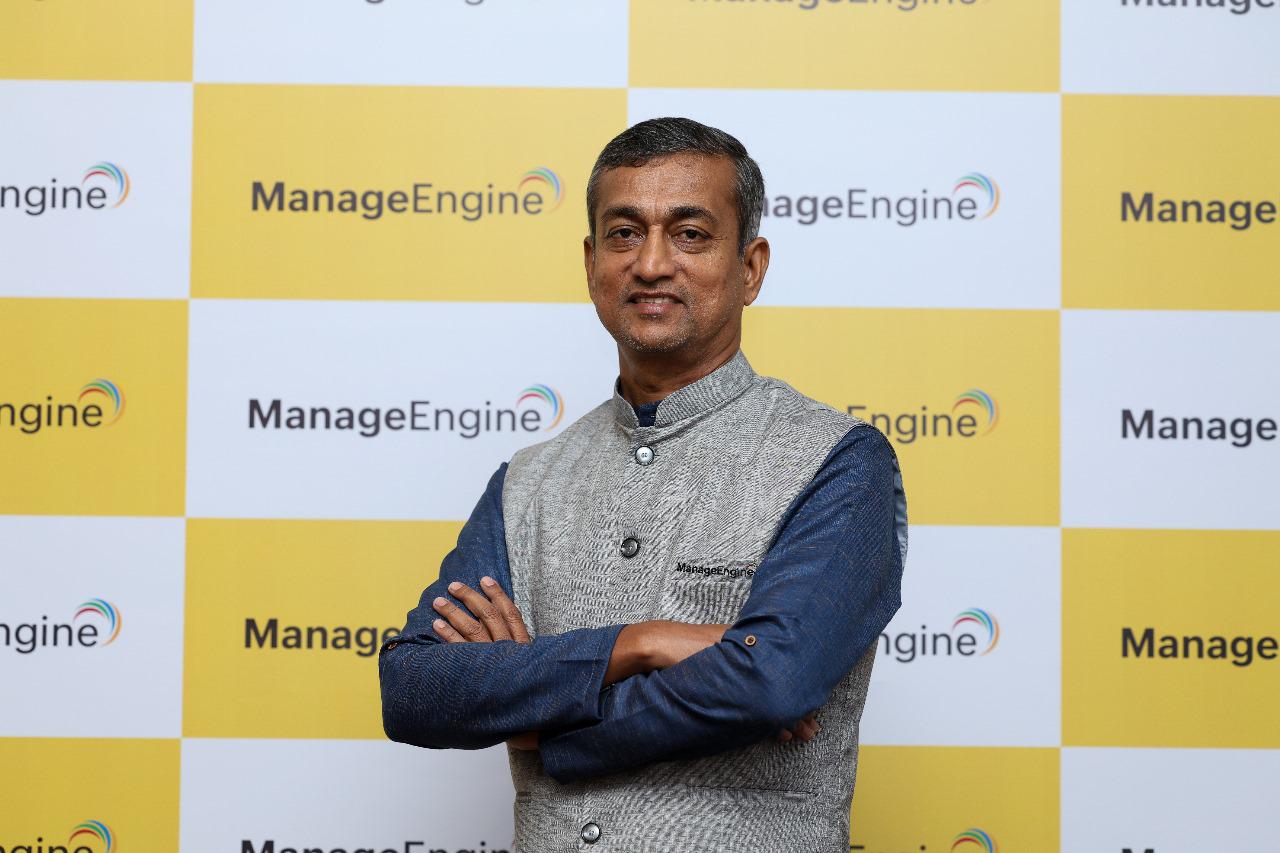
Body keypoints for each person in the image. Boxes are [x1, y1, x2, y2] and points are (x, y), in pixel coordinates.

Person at [379, 117, 908, 853]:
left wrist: (537, 721)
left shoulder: (838, 461)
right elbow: (414, 689)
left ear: (751, 267)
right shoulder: (529, 480)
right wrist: (642, 643)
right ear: (591, 261)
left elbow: (772, 684)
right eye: (625, 234)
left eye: (690, 234)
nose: (652, 263)